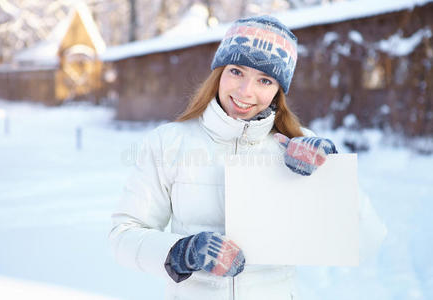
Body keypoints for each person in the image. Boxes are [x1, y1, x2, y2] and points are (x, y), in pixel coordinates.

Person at [109, 16, 386, 300]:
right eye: (237, 71)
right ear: (219, 72)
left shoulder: (299, 145)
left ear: (279, 90)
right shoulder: (168, 142)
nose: (245, 92)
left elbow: (367, 240)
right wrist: (183, 251)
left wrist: (330, 177)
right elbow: (123, 235)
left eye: (264, 80)